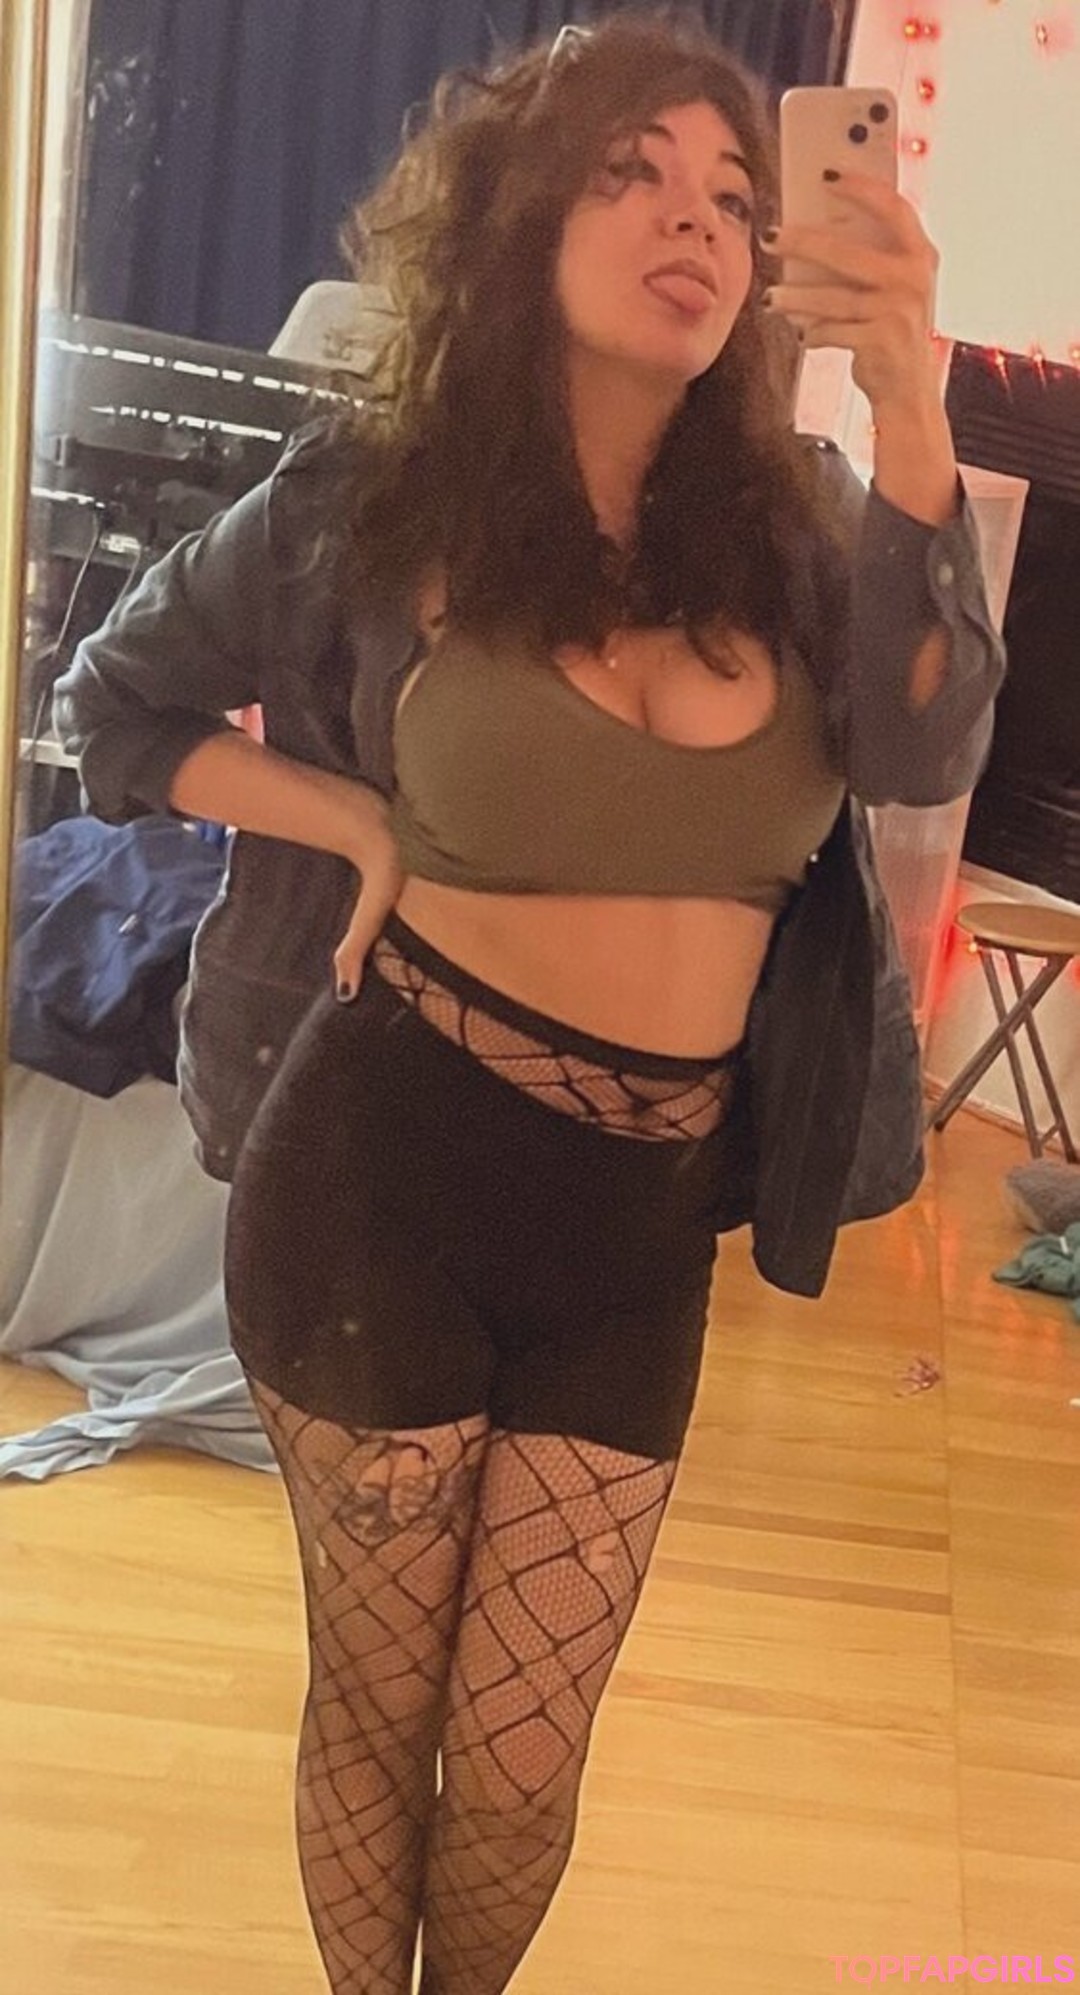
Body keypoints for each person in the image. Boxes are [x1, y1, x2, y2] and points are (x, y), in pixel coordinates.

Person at [53, 16, 1006, 1992]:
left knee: (517, 1762)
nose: (697, 222)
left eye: (732, 195)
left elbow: (926, 751)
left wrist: (914, 392)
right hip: (380, 1170)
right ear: (518, 218)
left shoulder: (804, 526)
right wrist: (347, 814)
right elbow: (116, 699)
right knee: (379, 1713)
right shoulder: (384, 497)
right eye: (631, 174)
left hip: (640, 1229)